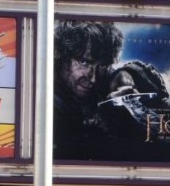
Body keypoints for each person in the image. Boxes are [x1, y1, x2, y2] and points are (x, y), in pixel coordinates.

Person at [52, 20, 122, 158]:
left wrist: (126, 73)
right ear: (62, 57)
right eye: (84, 62)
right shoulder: (49, 106)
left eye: (102, 65)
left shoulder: (104, 78)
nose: (93, 79)